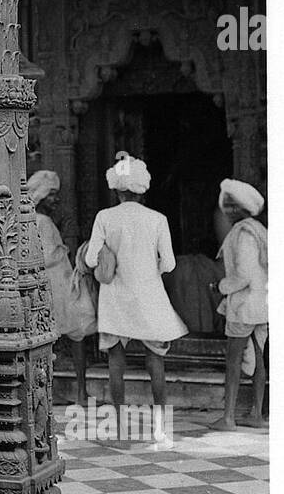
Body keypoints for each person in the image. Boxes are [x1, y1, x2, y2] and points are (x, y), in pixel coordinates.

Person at [83, 152, 187, 408]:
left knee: (116, 362)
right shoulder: (158, 219)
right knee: (155, 360)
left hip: (115, 296)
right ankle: (161, 423)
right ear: (142, 191)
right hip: (149, 294)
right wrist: (150, 271)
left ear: (117, 190)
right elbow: (170, 264)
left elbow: (90, 260)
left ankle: (119, 423)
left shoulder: (104, 217)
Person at [27, 169, 97, 400]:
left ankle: (57, 391)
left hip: (55, 282)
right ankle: (80, 391)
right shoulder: (43, 221)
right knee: (74, 334)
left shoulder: (35, 221)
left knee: (56, 338)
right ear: (40, 195)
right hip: (56, 283)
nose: (56, 199)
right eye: (52, 194)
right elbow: (49, 256)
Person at [212, 179, 268, 429]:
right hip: (262, 306)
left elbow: (243, 276)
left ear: (234, 208)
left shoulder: (242, 234)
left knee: (234, 361)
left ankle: (228, 417)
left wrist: (221, 287)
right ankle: (256, 414)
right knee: (258, 357)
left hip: (244, 307)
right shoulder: (259, 230)